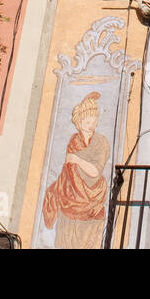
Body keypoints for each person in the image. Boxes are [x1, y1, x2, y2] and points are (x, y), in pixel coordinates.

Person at [41, 91, 111, 248]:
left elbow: (95, 171)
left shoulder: (101, 142)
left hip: (92, 202)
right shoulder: (74, 140)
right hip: (69, 200)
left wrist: (77, 159)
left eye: (93, 119)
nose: (91, 123)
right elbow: (68, 169)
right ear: (79, 121)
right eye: (87, 119)